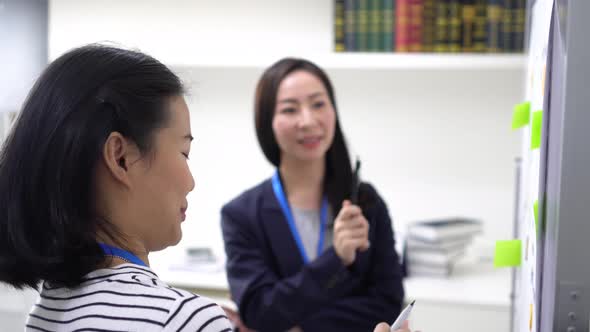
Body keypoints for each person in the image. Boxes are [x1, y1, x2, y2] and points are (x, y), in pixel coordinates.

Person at [0, 44, 232, 331]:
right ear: (120, 157)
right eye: (184, 153)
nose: (191, 182)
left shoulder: (47, 309)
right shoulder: (182, 318)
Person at [221, 57, 405, 331]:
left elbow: (388, 303)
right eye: (290, 109)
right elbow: (260, 310)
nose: (307, 121)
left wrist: (300, 327)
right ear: (267, 121)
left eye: (318, 104)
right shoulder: (241, 214)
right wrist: (337, 259)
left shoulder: (365, 202)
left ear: (333, 110)